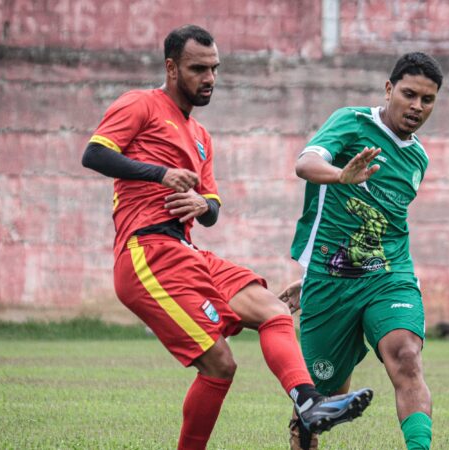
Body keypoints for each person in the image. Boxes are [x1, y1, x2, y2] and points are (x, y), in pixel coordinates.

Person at [81, 25, 372, 450]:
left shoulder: (200, 138)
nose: (209, 78)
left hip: (185, 251)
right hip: (145, 253)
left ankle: (309, 403)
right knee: (219, 364)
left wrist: (203, 206)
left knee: (272, 309)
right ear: (171, 68)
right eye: (198, 69)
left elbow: (213, 207)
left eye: (214, 69)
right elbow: (95, 153)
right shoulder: (140, 104)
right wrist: (160, 174)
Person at [281, 52, 443, 450]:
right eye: (409, 94)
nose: (417, 107)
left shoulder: (418, 157)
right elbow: (305, 163)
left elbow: (386, 221)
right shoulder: (351, 123)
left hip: (389, 276)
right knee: (320, 406)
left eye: (427, 99)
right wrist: (341, 176)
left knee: (405, 355)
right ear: (389, 89)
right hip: (330, 281)